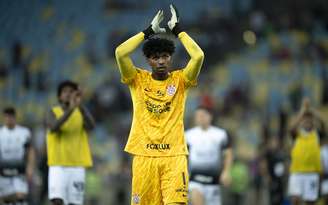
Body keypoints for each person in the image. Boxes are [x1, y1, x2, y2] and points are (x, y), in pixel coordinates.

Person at [115, 4, 204, 205]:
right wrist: (148, 32)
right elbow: (120, 53)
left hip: (174, 156)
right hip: (144, 157)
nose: (161, 61)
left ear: (170, 57)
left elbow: (198, 56)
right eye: (156, 57)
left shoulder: (181, 80)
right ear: (148, 60)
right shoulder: (137, 79)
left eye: (165, 56)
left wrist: (178, 31)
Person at [46, 80, 95, 205]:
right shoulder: (52, 112)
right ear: (59, 96)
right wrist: (71, 109)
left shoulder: (81, 113)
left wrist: (80, 106)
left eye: (72, 92)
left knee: (75, 203)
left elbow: (91, 126)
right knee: (57, 201)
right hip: (58, 164)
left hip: (77, 165)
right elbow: (53, 127)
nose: (68, 94)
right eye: (65, 91)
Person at [185, 107, 233, 205]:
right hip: (195, 180)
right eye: (197, 116)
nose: (200, 118)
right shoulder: (188, 135)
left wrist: (226, 171)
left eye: (202, 115)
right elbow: (183, 156)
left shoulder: (220, 134)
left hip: (214, 182)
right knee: (196, 198)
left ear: (210, 116)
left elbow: (228, 154)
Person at [288, 98, 326, 205]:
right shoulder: (297, 135)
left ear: (313, 122)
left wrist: (312, 110)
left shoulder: (317, 134)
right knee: (295, 200)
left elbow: (323, 123)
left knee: (310, 202)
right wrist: (303, 111)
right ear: (301, 122)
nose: (307, 122)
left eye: (310, 120)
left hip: (311, 173)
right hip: (297, 172)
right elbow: (291, 128)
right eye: (305, 120)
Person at [0, 107, 35, 205]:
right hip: (3, 169)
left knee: (21, 195)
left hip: (20, 169)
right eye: (7, 117)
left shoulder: (24, 132)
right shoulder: (1, 133)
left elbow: (30, 151)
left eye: (11, 116)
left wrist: (30, 167)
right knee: (6, 199)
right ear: (3, 118)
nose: (9, 119)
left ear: (15, 117)